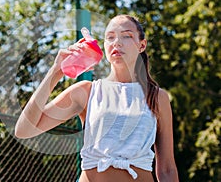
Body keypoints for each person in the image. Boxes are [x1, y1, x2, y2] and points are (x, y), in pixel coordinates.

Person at [15, 14, 179, 182]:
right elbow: (24, 130)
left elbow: (167, 169)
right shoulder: (86, 91)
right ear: (105, 46)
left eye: (127, 36)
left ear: (141, 45)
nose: (117, 42)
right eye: (110, 37)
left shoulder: (158, 97)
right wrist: (56, 72)